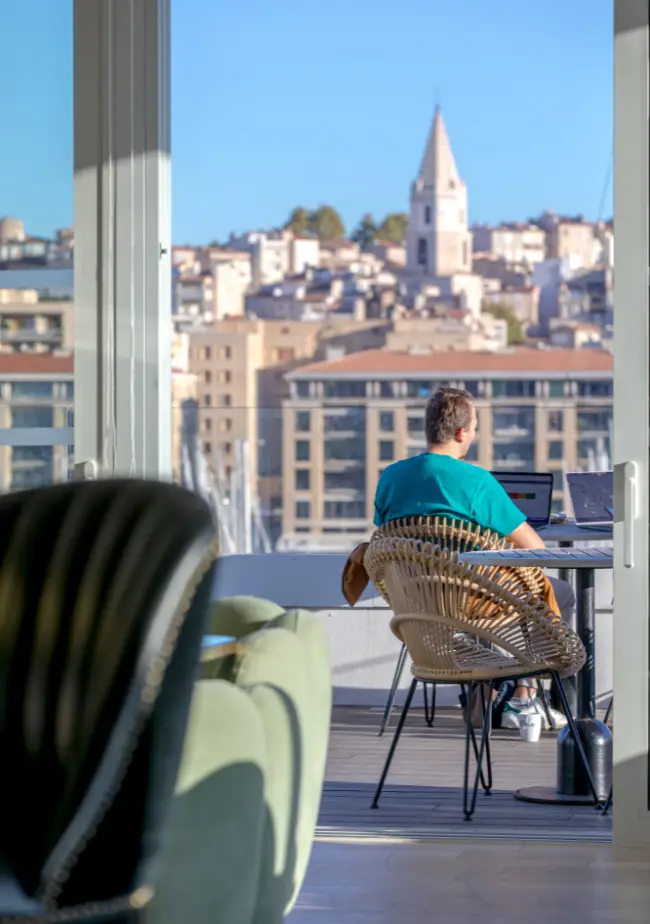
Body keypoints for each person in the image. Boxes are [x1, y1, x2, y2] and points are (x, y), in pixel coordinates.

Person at [373, 386, 573, 730]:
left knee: (472, 579)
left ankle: (481, 703)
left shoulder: (391, 477)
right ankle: (525, 697)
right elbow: (534, 550)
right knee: (558, 592)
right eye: (475, 428)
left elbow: (389, 535)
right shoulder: (478, 481)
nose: (475, 435)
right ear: (462, 432)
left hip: (416, 602)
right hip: (472, 602)